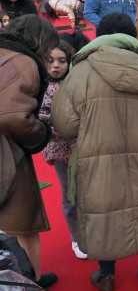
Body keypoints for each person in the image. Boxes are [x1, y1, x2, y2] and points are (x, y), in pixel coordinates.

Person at [51, 31, 138, 291]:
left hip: (99, 163)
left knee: (103, 213)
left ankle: (107, 275)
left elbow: (66, 125)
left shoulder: (79, 75)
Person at [0, 15, 65, 291]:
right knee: (24, 223)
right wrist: (40, 131)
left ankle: (32, 281)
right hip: (7, 152)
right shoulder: (24, 62)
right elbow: (13, 116)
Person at [39, 40, 84, 259]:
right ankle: (76, 237)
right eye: (50, 61)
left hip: (84, 149)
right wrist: (53, 122)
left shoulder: (77, 83)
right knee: (70, 196)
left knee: (89, 194)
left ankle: (91, 233)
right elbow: (38, 113)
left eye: (61, 60)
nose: (55, 65)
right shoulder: (41, 86)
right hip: (60, 151)